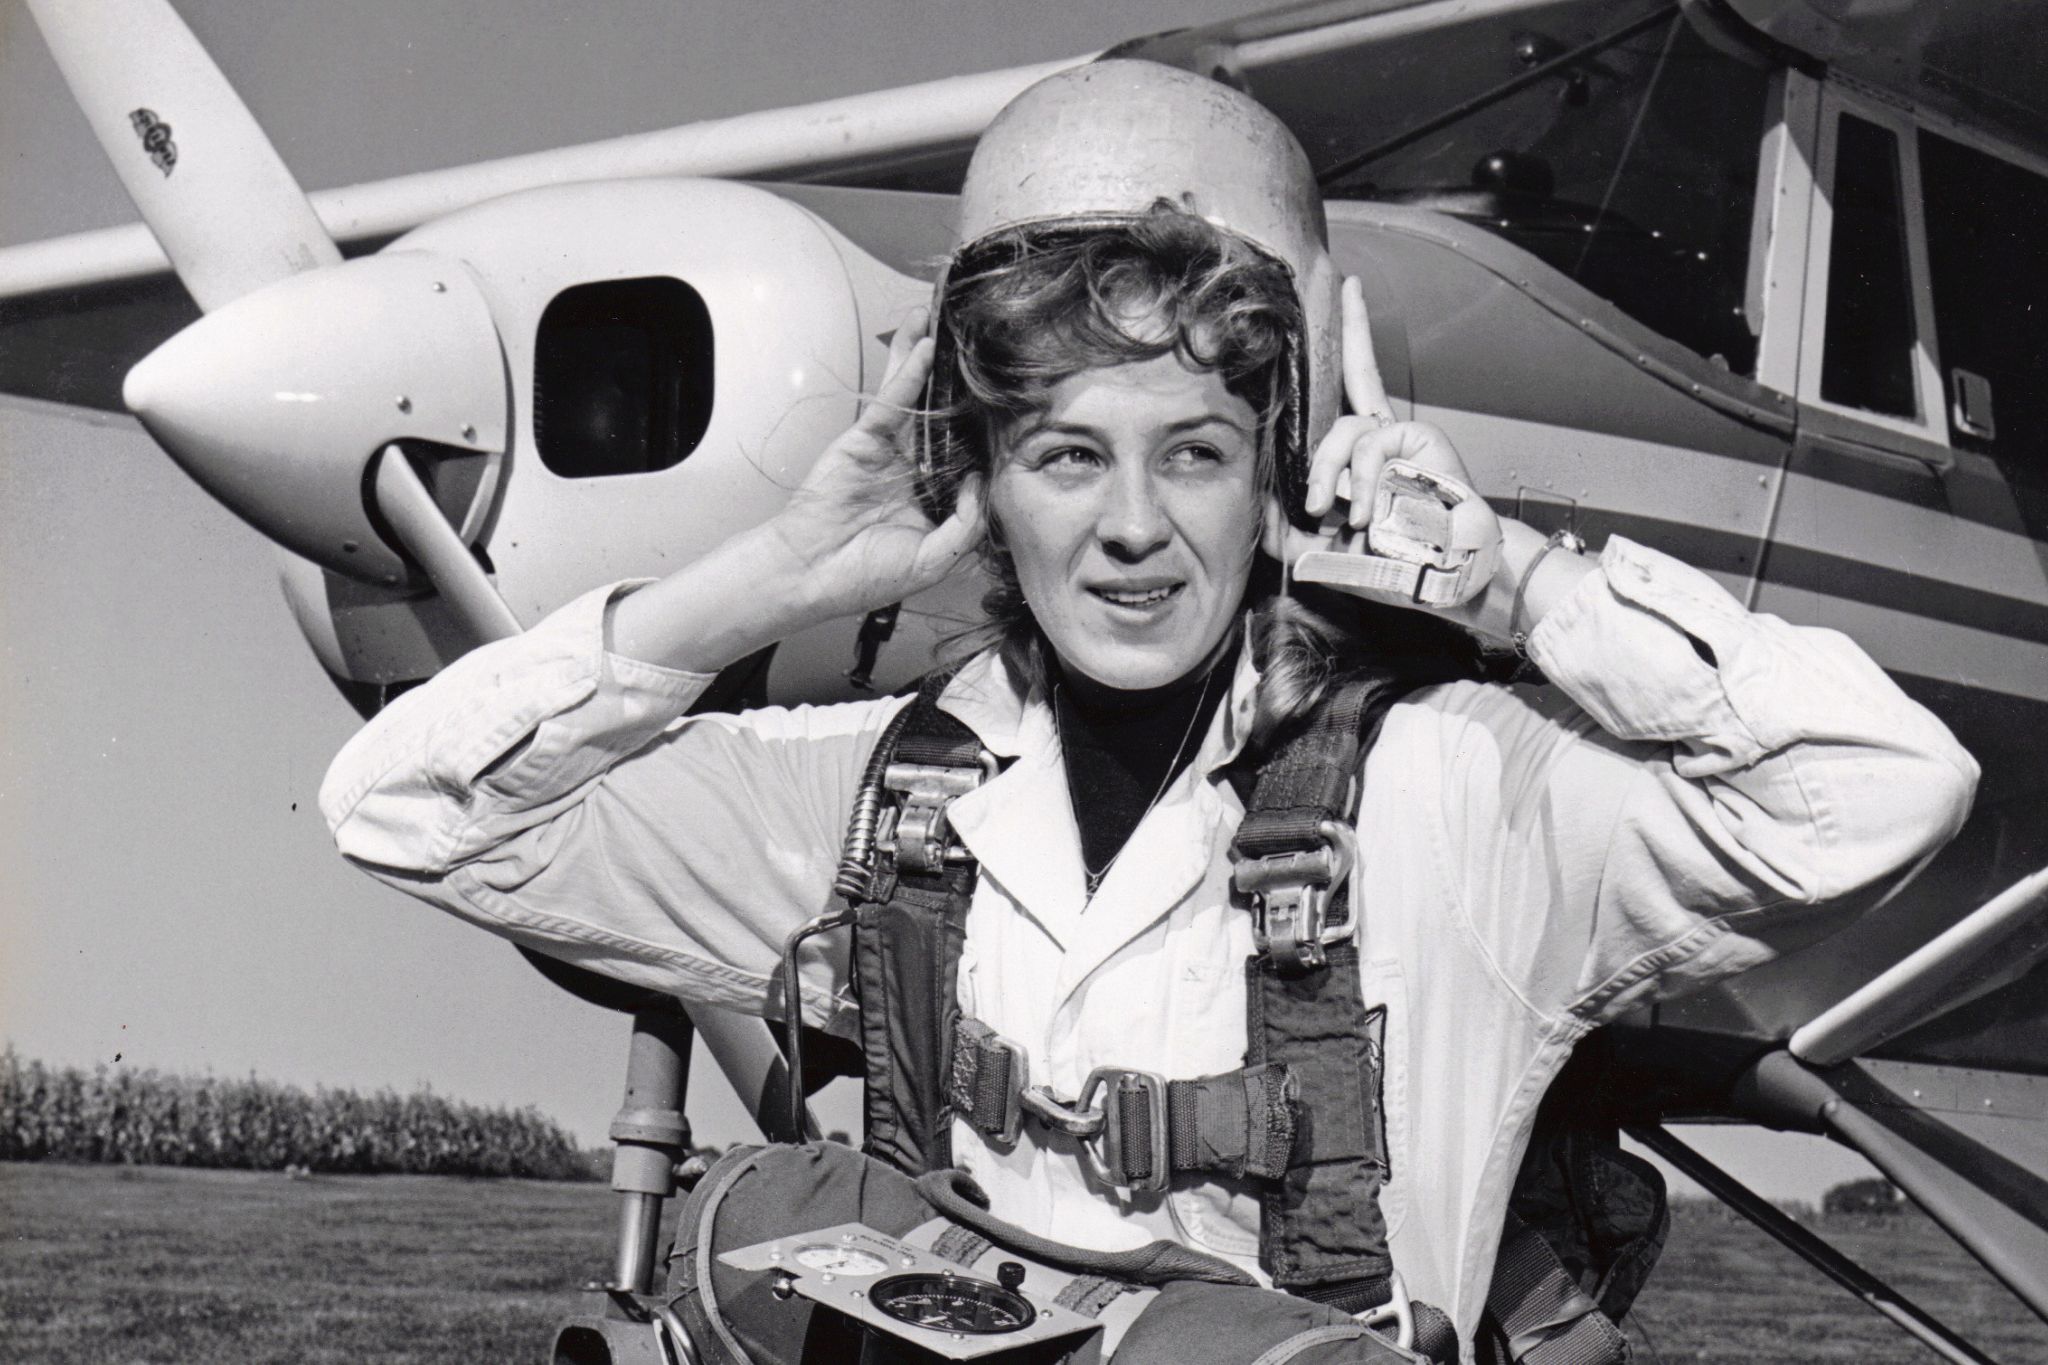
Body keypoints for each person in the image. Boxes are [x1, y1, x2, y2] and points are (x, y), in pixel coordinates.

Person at [321, 61, 1976, 1361]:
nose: (1130, 528)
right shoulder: (876, 798)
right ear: (979, 473)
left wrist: (1520, 588)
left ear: (1283, 463)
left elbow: (1881, 786)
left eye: (1193, 450)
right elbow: (406, 807)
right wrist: (764, 576)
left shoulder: (1453, 802)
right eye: (1063, 453)